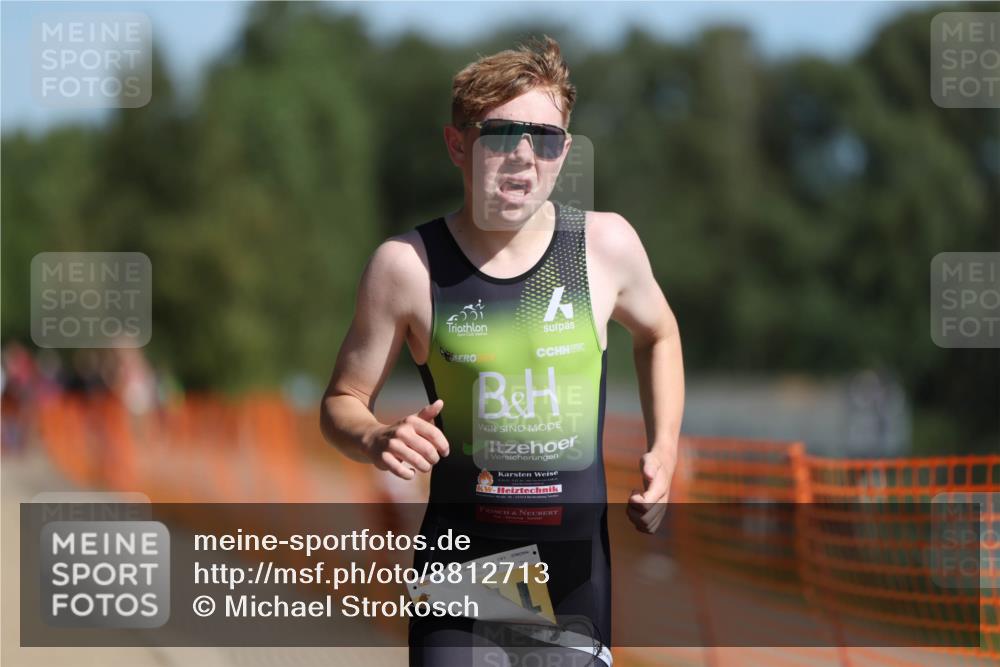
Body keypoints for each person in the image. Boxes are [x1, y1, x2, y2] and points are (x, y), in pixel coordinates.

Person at [320, 35, 684, 666]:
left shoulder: (604, 247)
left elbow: (660, 334)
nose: (522, 155)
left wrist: (666, 449)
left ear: (564, 151)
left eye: (544, 138)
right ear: (458, 145)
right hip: (461, 573)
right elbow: (342, 402)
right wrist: (377, 437)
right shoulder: (407, 266)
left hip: (574, 580)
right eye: (501, 134)